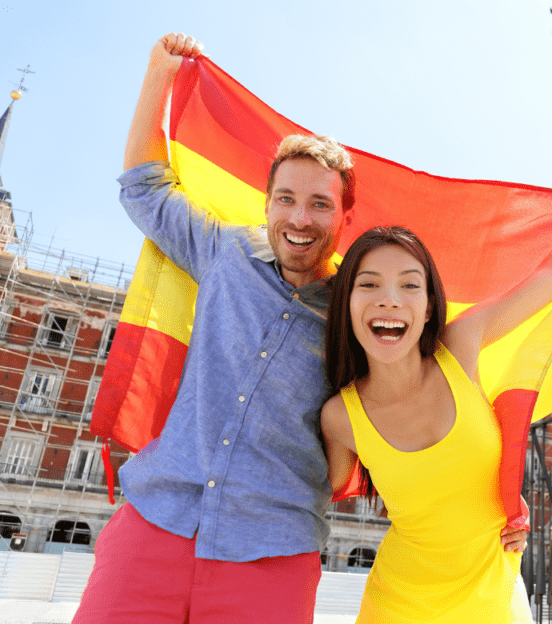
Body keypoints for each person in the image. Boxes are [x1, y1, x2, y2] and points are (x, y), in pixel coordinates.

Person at [73, 33, 355, 623]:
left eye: (320, 205)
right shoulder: (226, 252)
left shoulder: (359, 313)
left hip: (273, 552)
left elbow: (440, 376)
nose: (301, 219)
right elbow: (144, 189)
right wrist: (159, 73)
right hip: (156, 524)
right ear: (268, 202)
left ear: (344, 214)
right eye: (286, 199)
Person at [320, 194, 552, 623]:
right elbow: (314, 494)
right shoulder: (339, 417)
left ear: (430, 304)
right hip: (395, 605)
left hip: (493, 600)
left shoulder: (461, 345)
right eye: (369, 284)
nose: (390, 299)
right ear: (348, 303)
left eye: (410, 284)